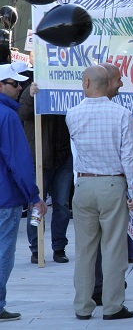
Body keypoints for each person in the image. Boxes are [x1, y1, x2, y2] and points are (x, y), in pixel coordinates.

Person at [67, 65, 133, 321]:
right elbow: (129, 156)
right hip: (112, 183)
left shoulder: (72, 114)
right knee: (114, 249)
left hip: (84, 183)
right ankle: (112, 305)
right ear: (108, 83)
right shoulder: (122, 114)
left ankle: (82, 306)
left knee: (84, 250)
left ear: (87, 83)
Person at [0, 64, 45, 323]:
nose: (20, 87)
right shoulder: (8, 116)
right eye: (14, 83)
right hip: (6, 197)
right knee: (4, 251)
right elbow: (18, 161)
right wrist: (33, 196)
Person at [18, 80, 72, 264]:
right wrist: (31, 96)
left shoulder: (69, 86)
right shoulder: (34, 88)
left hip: (63, 158)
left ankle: (59, 247)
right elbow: (23, 113)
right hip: (40, 158)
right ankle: (36, 248)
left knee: (62, 205)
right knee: (35, 205)